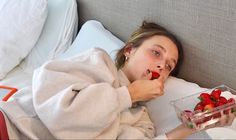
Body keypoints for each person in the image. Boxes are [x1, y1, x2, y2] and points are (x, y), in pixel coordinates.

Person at [0, 21, 235, 139]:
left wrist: (189, 127)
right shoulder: (97, 62)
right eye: (156, 52)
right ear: (129, 51)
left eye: (170, 66)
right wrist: (129, 94)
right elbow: (63, 114)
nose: (162, 65)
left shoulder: (141, 119)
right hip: (10, 128)